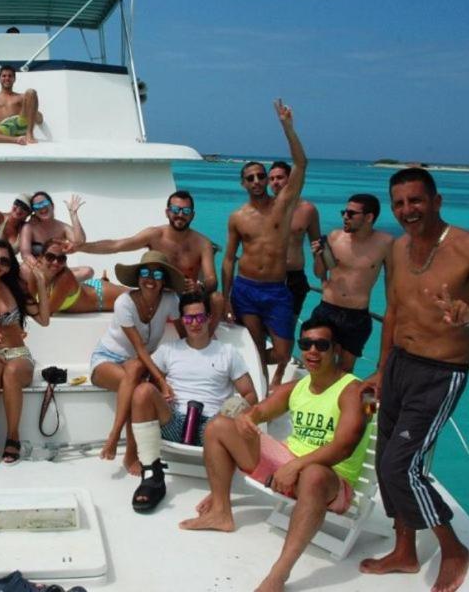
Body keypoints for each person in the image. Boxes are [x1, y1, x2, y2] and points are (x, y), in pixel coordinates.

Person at [359, 168, 469, 592]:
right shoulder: (398, 249)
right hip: (399, 365)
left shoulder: (468, 247)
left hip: (439, 373)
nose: (406, 210)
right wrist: (382, 368)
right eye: (399, 203)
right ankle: (405, 551)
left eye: (415, 201)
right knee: (385, 464)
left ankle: (453, 549)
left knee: (403, 465)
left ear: (436, 201)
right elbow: (394, 310)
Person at [180, 318, 371, 592]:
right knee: (219, 426)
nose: (312, 351)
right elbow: (260, 410)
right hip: (289, 464)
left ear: (336, 349)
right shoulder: (299, 386)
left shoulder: (355, 390)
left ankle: (278, 576)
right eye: (306, 344)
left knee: (314, 475)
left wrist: (297, 466)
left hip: (332, 479)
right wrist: (248, 418)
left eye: (321, 345)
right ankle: (221, 512)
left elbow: (345, 446)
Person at [128, 292, 257, 512]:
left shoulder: (227, 352)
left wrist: (236, 410)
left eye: (199, 317)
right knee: (142, 392)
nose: (194, 323)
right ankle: (151, 474)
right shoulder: (169, 350)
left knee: (229, 412)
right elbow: (150, 382)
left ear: (208, 318)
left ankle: (219, 492)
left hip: (211, 427)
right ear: (182, 321)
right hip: (174, 420)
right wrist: (162, 390)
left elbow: (250, 394)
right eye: (188, 319)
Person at [221, 99, 308, 390]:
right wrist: (226, 296)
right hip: (245, 288)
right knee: (256, 346)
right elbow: (229, 259)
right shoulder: (237, 217)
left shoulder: (282, 206)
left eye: (261, 175)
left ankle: (248, 371)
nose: (257, 180)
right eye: (251, 178)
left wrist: (287, 127)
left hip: (275, 290)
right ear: (243, 184)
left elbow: (300, 163)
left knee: (283, 351)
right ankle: (260, 393)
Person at [90, 250, 184, 474]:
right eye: (145, 272)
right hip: (107, 360)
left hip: (140, 365)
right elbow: (140, 348)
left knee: (137, 377)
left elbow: (183, 336)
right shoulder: (124, 302)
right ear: (138, 277)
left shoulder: (171, 301)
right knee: (136, 383)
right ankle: (121, 442)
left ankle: (125, 446)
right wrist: (162, 382)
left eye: (157, 275)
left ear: (164, 282)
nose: (150, 279)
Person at [0, 240, 49, 464]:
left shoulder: (15, 288)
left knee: (11, 371)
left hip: (18, 354)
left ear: (9, 267)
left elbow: (43, 320)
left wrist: (41, 284)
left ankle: (13, 435)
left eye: (4, 261)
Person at [308, 194, 393, 372]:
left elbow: (392, 283)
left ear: (369, 217)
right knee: (319, 363)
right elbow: (319, 273)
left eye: (351, 213)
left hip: (357, 315)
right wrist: (318, 255)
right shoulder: (335, 236)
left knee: (345, 369)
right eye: (344, 212)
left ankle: (342, 400)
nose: (345, 217)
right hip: (327, 308)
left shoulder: (385, 243)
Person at [75, 190, 217, 295]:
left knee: (217, 298)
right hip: (157, 295)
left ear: (192, 215)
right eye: (175, 210)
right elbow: (116, 245)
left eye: (185, 211)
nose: (180, 215)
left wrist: (200, 286)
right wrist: (80, 247)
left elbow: (211, 279)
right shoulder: (154, 235)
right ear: (167, 212)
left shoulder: (202, 243)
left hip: (188, 298)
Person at [268, 160, 320, 319]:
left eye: (279, 177)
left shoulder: (308, 210)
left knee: (287, 330)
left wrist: (325, 279)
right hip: (267, 276)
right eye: (271, 179)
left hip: (294, 278)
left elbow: (317, 246)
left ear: (291, 179)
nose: (275, 182)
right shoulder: (263, 208)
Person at [27, 238, 127, 313]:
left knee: (137, 297)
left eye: (61, 259)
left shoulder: (64, 277)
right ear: (40, 258)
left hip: (101, 295)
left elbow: (46, 312)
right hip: (87, 287)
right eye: (50, 257)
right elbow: (29, 303)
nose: (56, 262)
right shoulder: (34, 274)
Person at [19, 191, 89, 276]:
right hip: (37, 271)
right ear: (34, 211)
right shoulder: (29, 227)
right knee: (24, 269)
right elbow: (25, 254)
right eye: (37, 206)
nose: (42, 207)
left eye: (44, 203)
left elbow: (80, 242)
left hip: (57, 270)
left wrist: (73, 214)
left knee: (87, 271)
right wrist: (42, 270)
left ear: (52, 205)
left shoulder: (63, 227)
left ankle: (57, 283)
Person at [0, 65, 43, 145]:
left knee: (31, 92)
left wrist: (31, 111)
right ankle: (15, 140)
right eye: (4, 76)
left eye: (10, 76)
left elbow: (40, 120)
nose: (7, 78)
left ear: (14, 79)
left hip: (20, 123)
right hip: (3, 129)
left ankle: (29, 134)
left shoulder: (21, 97)